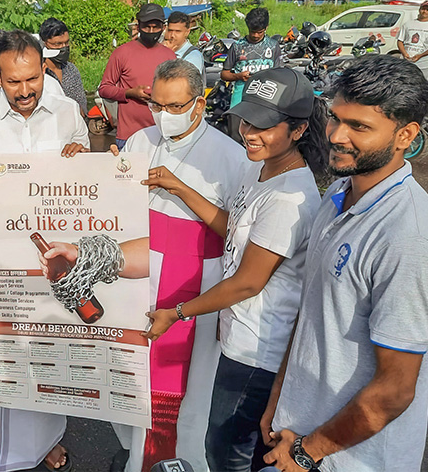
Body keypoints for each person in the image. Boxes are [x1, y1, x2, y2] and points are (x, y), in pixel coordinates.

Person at [139, 67, 324, 472]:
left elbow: (247, 283)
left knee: (228, 453)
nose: (250, 134)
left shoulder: (289, 198)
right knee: (223, 444)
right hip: (237, 333)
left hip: (257, 349)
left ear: (298, 130)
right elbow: (232, 226)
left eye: (265, 127)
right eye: (247, 121)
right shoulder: (261, 168)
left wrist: (178, 312)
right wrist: (181, 188)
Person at [261, 55, 428, 472]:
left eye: (359, 127)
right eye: (335, 118)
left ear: (405, 135)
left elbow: (394, 389)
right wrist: (279, 398)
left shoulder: (406, 234)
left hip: (349, 457)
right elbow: (312, 310)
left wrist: (308, 451)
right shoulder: (338, 194)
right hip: (297, 435)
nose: (337, 135)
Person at [0, 31, 90, 472]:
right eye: (13, 82)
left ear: (43, 68)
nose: (25, 90)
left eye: (32, 79)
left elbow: (86, 162)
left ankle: (44, 441)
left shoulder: (66, 110)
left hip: (51, 255)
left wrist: (81, 154)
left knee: (48, 346)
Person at [119, 59, 250, 470]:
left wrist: (183, 190)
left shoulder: (233, 156)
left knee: (192, 386)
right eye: (157, 105)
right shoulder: (139, 141)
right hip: (141, 273)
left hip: (197, 279)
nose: (164, 116)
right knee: (134, 376)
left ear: (200, 103)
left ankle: (185, 460)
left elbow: (237, 232)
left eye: (175, 106)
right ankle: (138, 459)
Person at [102, 3, 178, 147]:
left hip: (161, 135)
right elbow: (104, 88)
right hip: (128, 136)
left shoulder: (170, 56)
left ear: (163, 27)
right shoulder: (121, 53)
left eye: (155, 27)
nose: (151, 31)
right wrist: (130, 93)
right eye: (147, 27)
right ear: (138, 27)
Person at [223, 8, 282, 116]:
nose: (255, 35)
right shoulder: (237, 46)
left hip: (266, 102)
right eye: (252, 31)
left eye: (260, 32)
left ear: (266, 28)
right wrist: (238, 76)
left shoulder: (273, 46)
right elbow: (224, 74)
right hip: (240, 103)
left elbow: (280, 75)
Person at [39, 17, 88, 111]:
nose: (64, 47)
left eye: (66, 43)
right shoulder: (37, 73)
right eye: (58, 44)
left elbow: (82, 106)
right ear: (44, 44)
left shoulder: (71, 70)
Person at [397, 2, 428, 77]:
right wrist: (404, 54)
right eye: (423, 9)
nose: (424, 11)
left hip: (423, 65)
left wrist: (420, 55)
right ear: (419, 10)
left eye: (427, 10)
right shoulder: (408, 24)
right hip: (406, 63)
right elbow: (400, 41)